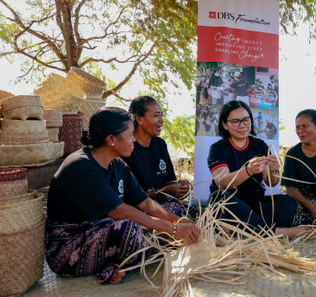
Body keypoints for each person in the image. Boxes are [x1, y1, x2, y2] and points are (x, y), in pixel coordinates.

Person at [45, 107, 201, 285]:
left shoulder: (118, 164)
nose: (134, 139)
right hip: (70, 247)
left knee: (172, 207)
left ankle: (124, 260)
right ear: (111, 139)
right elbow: (118, 211)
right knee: (130, 230)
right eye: (130, 135)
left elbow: (146, 204)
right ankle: (120, 261)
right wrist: (172, 229)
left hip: (104, 229)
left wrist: (179, 222)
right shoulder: (80, 166)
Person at [208, 100, 311, 238]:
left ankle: (243, 228)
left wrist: (274, 170)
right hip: (231, 203)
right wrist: (248, 171)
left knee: (288, 203)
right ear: (225, 124)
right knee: (218, 198)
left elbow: (271, 182)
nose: (242, 125)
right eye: (235, 122)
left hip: (255, 204)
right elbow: (222, 182)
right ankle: (277, 233)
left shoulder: (259, 145)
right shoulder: (218, 149)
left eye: (246, 120)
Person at [124, 96, 197, 218]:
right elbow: (132, 197)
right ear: (139, 119)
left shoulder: (160, 144)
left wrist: (180, 186)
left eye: (161, 115)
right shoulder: (126, 149)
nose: (162, 120)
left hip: (164, 203)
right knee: (178, 212)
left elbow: (169, 181)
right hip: (141, 210)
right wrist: (165, 190)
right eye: (156, 115)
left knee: (199, 213)